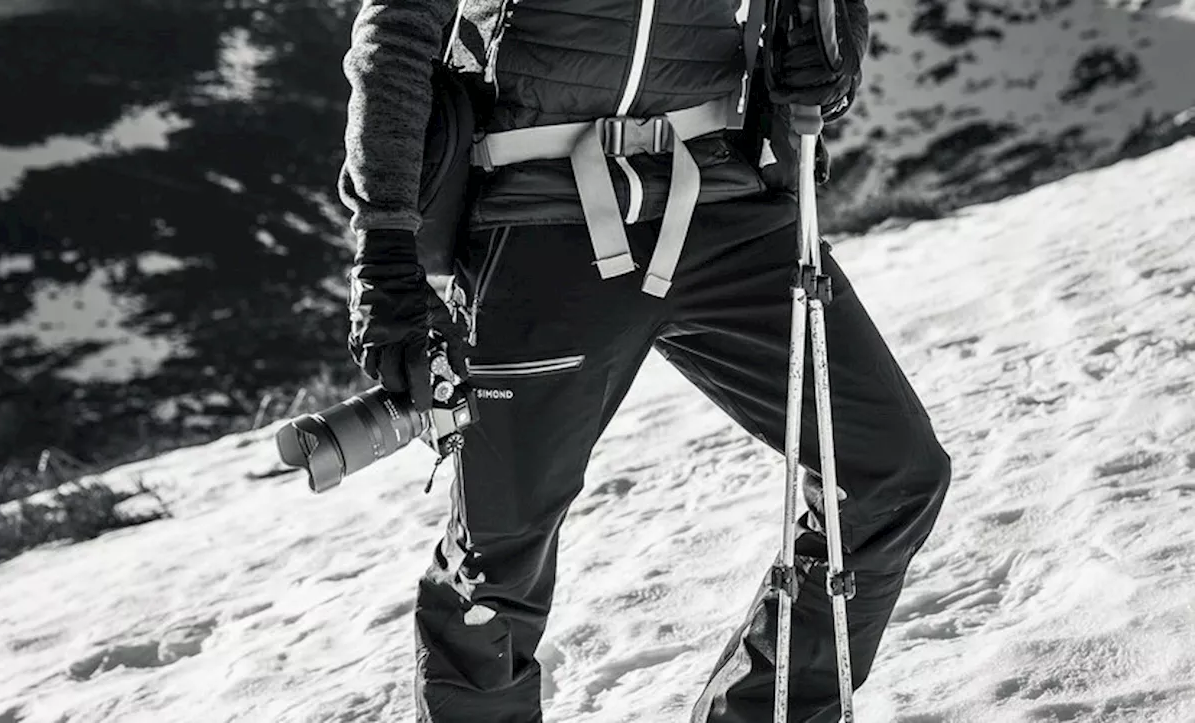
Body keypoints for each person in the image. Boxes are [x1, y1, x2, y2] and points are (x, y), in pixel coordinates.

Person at [338, 0, 952, 720]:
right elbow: (398, 32)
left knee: (892, 473)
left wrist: (835, 50)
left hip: (725, 198)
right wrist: (383, 251)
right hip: (538, 216)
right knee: (493, 575)